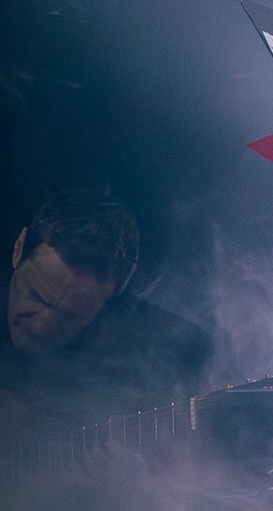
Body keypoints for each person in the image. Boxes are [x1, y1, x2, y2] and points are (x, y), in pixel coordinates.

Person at [1, 189, 212, 446]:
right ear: (18, 248)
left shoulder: (157, 353)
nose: (41, 325)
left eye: (70, 316)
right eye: (36, 297)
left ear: (106, 308)